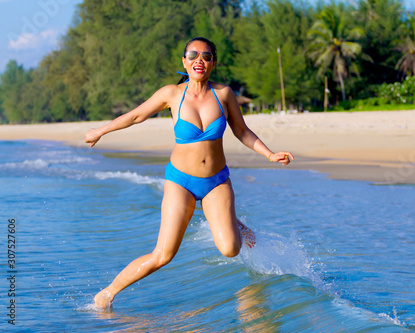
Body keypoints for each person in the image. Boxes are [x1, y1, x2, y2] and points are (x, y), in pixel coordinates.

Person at [85, 37, 294, 309]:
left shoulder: (223, 94)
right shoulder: (172, 94)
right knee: (163, 255)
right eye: (193, 55)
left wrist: (269, 154)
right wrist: (101, 131)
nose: (199, 60)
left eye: (206, 56)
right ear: (184, 61)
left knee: (230, 249)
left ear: (213, 64)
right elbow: (136, 116)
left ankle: (234, 224)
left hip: (216, 181)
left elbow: (241, 131)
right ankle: (107, 294)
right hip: (180, 182)